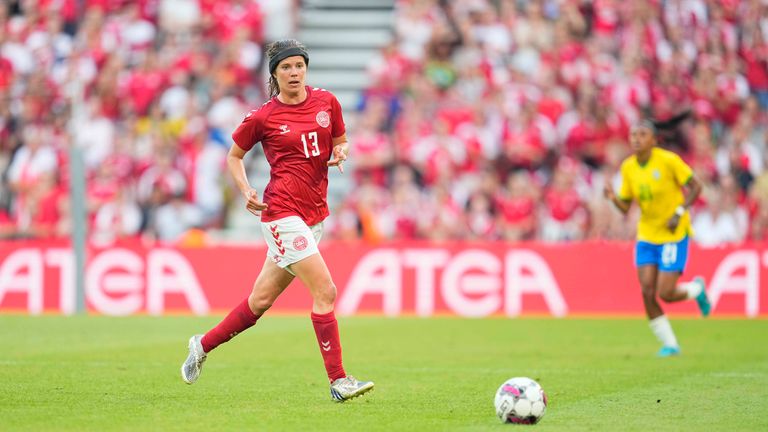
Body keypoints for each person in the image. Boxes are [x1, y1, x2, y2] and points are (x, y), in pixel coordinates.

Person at [181, 39, 374, 401]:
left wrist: (342, 151)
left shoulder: (327, 102)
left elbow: (341, 140)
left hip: (314, 215)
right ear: (274, 74)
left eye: (299, 65)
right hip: (281, 214)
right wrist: (245, 190)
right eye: (286, 67)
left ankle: (201, 345)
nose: (294, 72)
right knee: (326, 291)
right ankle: (338, 380)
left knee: (259, 302)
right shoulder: (263, 117)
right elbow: (234, 156)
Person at [603, 117, 711, 357]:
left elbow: (696, 187)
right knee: (646, 291)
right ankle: (670, 344)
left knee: (666, 293)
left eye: (642, 135)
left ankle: (696, 289)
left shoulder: (668, 161)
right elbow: (625, 206)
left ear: (654, 140)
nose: (636, 139)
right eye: (633, 135)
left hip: (673, 233)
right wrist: (612, 198)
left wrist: (679, 212)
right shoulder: (628, 167)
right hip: (647, 234)